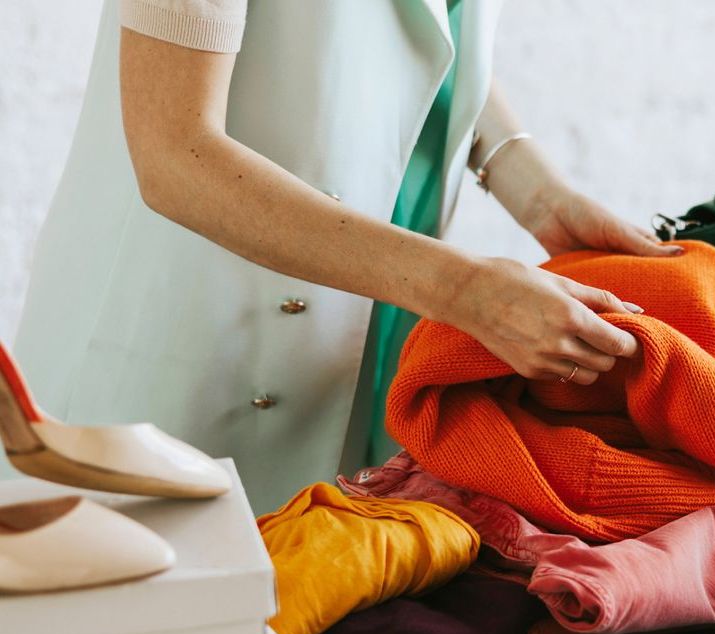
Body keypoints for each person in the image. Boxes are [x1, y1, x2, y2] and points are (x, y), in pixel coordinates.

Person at [13, 0, 681, 513]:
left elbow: (425, 32)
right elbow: (173, 152)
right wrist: (462, 291)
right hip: (180, 356)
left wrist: (534, 188)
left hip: (371, 324)